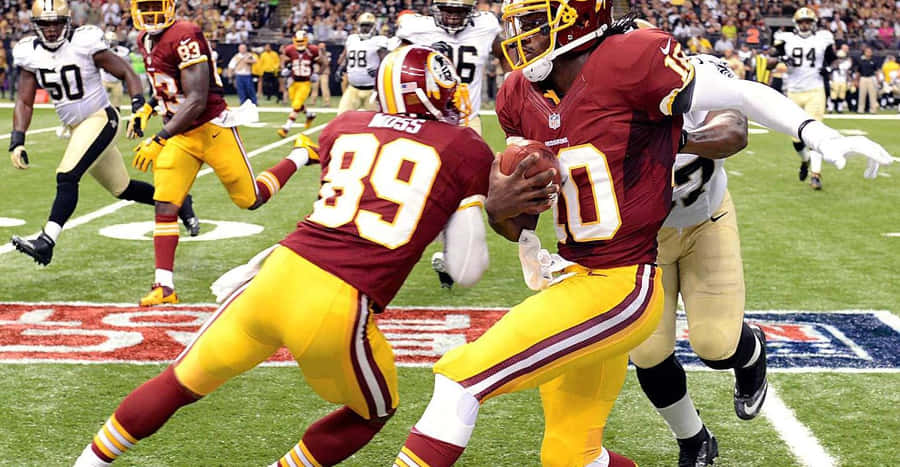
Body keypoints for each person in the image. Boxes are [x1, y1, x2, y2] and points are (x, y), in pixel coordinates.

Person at [394, 2, 893, 466]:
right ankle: (694, 439)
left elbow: (739, 103)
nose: (517, 36)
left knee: (461, 377)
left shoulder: (635, 61)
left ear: (574, 19)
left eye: (531, 21)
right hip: (578, 273)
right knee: (571, 453)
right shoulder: (518, 94)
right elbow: (518, 217)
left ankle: (746, 356)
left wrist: (816, 133)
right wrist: (501, 208)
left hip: (629, 272)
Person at [73, 45, 493, 467]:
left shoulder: (344, 126)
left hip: (274, 275)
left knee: (178, 383)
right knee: (374, 412)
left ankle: (87, 462)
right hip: (336, 303)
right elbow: (466, 268)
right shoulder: (464, 147)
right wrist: (471, 206)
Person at [127, 0, 305, 306]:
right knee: (166, 204)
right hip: (180, 134)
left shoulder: (184, 34)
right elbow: (169, 91)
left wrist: (160, 137)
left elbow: (196, 99)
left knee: (251, 200)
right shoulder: (144, 39)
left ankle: (301, 155)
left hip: (212, 128)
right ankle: (164, 287)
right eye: (146, 5)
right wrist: (148, 108)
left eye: (157, 5)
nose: (151, 12)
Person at [8, 0, 198, 267]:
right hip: (78, 127)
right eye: (45, 24)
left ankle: (46, 241)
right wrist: (17, 140)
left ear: (67, 22)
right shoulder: (29, 52)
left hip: (101, 118)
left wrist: (136, 105)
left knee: (67, 175)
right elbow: (25, 101)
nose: (51, 30)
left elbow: (125, 71)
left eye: (56, 23)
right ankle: (179, 201)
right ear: (36, 26)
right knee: (122, 189)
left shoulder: (84, 41)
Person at [394, 0, 502, 135]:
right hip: (429, 119)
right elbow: (396, 62)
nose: (453, 15)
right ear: (437, 9)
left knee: (474, 155)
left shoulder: (485, 26)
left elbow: (503, 52)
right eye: (447, 10)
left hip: (467, 118)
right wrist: (422, 52)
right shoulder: (417, 28)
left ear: (470, 11)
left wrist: (510, 78)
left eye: (460, 11)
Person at [769, 8, 837, 190]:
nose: (805, 25)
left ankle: (816, 174)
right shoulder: (786, 38)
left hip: (815, 90)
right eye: (802, 22)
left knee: (814, 133)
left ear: (813, 23)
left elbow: (834, 59)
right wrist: (781, 58)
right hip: (793, 92)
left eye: (808, 21)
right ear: (796, 24)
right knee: (796, 138)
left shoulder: (823, 38)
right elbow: (769, 62)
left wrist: (829, 69)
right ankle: (805, 160)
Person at [277, 30, 328, 137]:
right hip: (293, 81)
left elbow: (324, 63)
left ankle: (286, 128)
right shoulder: (290, 49)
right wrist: (284, 68)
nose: (300, 43)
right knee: (297, 103)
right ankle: (309, 115)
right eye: (298, 40)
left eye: (302, 40)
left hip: (305, 82)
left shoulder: (312, 50)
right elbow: (283, 60)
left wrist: (318, 73)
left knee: (296, 105)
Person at [337, 12, 388, 114]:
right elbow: (346, 57)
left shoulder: (379, 40)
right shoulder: (352, 39)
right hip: (352, 89)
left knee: (376, 121)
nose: (365, 28)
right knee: (341, 117)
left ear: (373, 27)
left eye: (368, 26)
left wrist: (379, 70)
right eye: (363, 25)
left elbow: (386, 60)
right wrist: (340, 68)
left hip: (372, 91)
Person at [99, 30, 130, 109]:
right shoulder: (101, 51)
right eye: (110, 42)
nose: (112, 44)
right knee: (101, 105)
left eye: (113, 42)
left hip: (116, 82)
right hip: (104, 81)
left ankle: (116, 118)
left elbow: (124, 55)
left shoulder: (122, 51)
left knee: (117, 105)